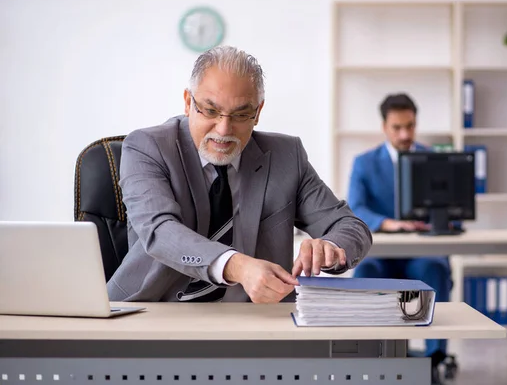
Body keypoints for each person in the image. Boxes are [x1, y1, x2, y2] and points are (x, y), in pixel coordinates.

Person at [107, 46, 372, 303]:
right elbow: (159, 231)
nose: (224, 130)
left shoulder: (286, 156)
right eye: (211, 111)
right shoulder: (147, 147)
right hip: (153, 312)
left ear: (257, 113)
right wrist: (236, 266)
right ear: (188, 102)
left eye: (240, 114)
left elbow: (351, 226)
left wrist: (330, 247)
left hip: (256, 321)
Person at [347, 93, 453, 382]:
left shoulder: (433, 159)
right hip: (381, 255)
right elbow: (356, 208)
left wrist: (440, 217)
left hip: (421, 254)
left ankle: (434, 359)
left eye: (410, 126)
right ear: (384, 127)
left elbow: (449, 205)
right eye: (397, 127)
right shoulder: (364, 163)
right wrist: (388, 223)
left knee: (435, 269)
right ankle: (366, 357)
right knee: (366, 271)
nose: (405, 134)